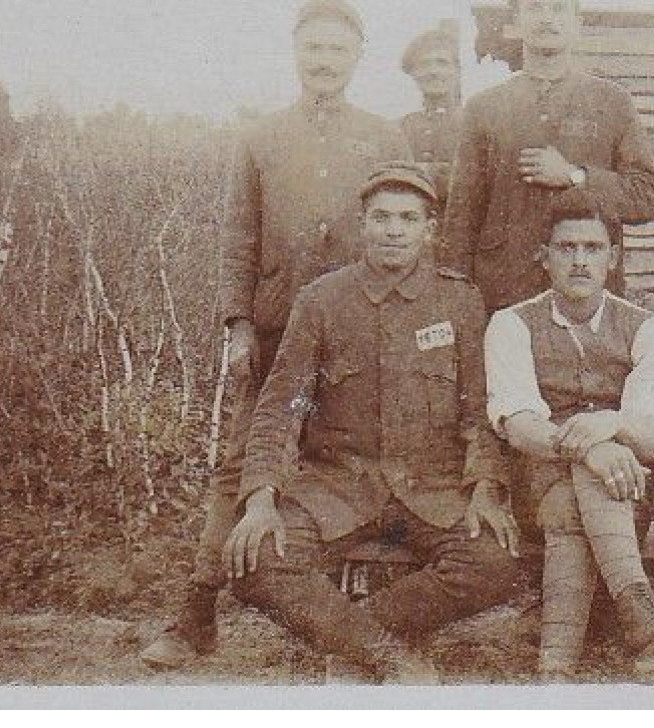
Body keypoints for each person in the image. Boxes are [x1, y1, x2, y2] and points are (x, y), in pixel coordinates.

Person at [141, 0, 409, 668]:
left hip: (356, 336)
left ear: (356, 57)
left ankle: (349, 615)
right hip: (274, 334)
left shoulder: (383, 137)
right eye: (313, 47)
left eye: (337, 49)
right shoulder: (259, 138)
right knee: (242, 464)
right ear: (296, 52)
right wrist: (237, 326)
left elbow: (405, 235)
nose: (324, 61)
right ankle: (195, 613)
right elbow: (238, 239)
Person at [223, 162, 521, 683]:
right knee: (255, 561)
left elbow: (478, 410)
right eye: (381, 217)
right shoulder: (321, 300)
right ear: (362, 225)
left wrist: (486, 489)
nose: (393, 230)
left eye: (408, 218)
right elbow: (279, 407)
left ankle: (351, 640)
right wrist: (260, 499)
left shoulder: (459, 301)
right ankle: (384, 654)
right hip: (337, 487)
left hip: (432, 488)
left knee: (494, 563)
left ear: (430, 230)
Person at [485, 189, 654, 678]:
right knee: (575, 487)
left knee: (582, 496)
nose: (580, 261)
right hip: (537, 483)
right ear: (544, 257)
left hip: (628, 487)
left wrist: (609, 430)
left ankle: (556, 663)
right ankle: (640, 611)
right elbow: (520, 427)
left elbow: (648, 438)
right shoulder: (512, 325)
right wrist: (592, 450)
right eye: (566, 248)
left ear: (613, 258)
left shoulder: (647, 328)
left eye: (593, 248)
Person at [440, 0, 654, 312]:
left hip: (588, 298)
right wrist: (456, 304)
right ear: (516, 21)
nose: (547, 19)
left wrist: (575, 177)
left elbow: (644, 197)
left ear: (577, 22)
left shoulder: (611, 100)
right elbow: (461, 219)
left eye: (559, 9)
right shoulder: (484, 108)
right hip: (504, 293)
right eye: (536, 8)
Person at [398, 23, 464, 210]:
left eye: (442, 63)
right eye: (424, 64)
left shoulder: (476, 123)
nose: (433, 71)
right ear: (413, 74)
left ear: (457, 71)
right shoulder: (400, 127)